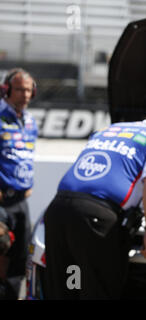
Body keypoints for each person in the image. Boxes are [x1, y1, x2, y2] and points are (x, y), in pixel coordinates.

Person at [43, 105, 146, 299]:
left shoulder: (109, 129)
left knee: (66, 288)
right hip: (96, 218)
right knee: (97, 291)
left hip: (58, 210)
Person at [0, 68, 38, 299]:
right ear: (6, 90)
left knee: (21, 258)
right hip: (2, 200)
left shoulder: (31, 121)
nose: (24, 95)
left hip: (21, 201)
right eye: (19, 90)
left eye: (28, 90)